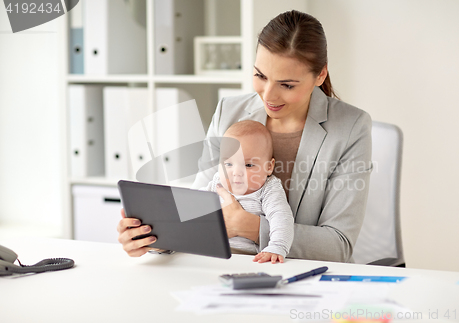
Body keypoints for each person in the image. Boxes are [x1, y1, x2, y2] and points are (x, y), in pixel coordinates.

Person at [117, 10, 372, 262]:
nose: (268, 96)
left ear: (320, 75)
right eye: (260, 76)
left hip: (301, 276)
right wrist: (156, 239)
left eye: (287, 85)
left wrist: (246, 225)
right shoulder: (229, 111)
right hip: (223, 267)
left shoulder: (351, 127)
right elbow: (199, 206)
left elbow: (337, 246)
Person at [201, 120, 294, 264]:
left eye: (249, 165)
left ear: (269, 167)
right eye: (228, 164)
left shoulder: (269, 189)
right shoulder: (217, 183)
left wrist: (277, 247)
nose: (236, 172)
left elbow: (281, 218)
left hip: (248, 257)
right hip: (211, 252)